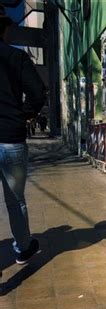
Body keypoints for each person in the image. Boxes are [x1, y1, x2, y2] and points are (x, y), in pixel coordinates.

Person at [0, 6, 46, 269]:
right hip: (10, 138)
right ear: (5, 29)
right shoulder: (15, 58)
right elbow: (38, 93)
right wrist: (23, 115)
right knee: (14, 199)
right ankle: (23, 248)